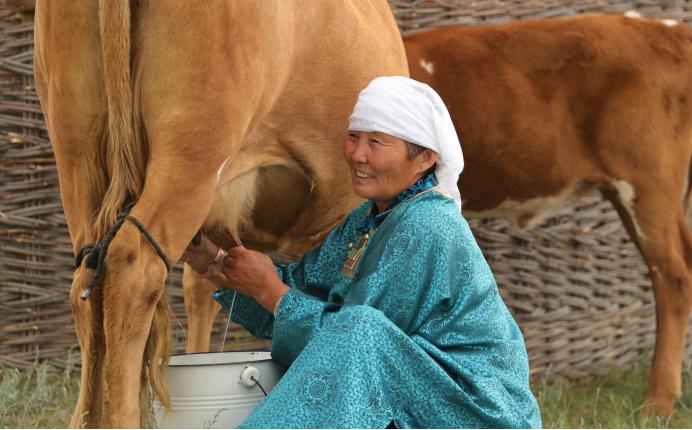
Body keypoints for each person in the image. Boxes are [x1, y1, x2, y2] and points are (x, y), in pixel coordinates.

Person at [182, 76, 542, 428]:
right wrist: (213, 262)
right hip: (417, 391)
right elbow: (303, 292)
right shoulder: (370, 217)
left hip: (478, 409)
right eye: (353, 137)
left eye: (376, 142)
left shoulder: (428, 225)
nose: (357, 154)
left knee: (361, 329)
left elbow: (353, 347)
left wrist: (270, 291)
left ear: (425, 158)